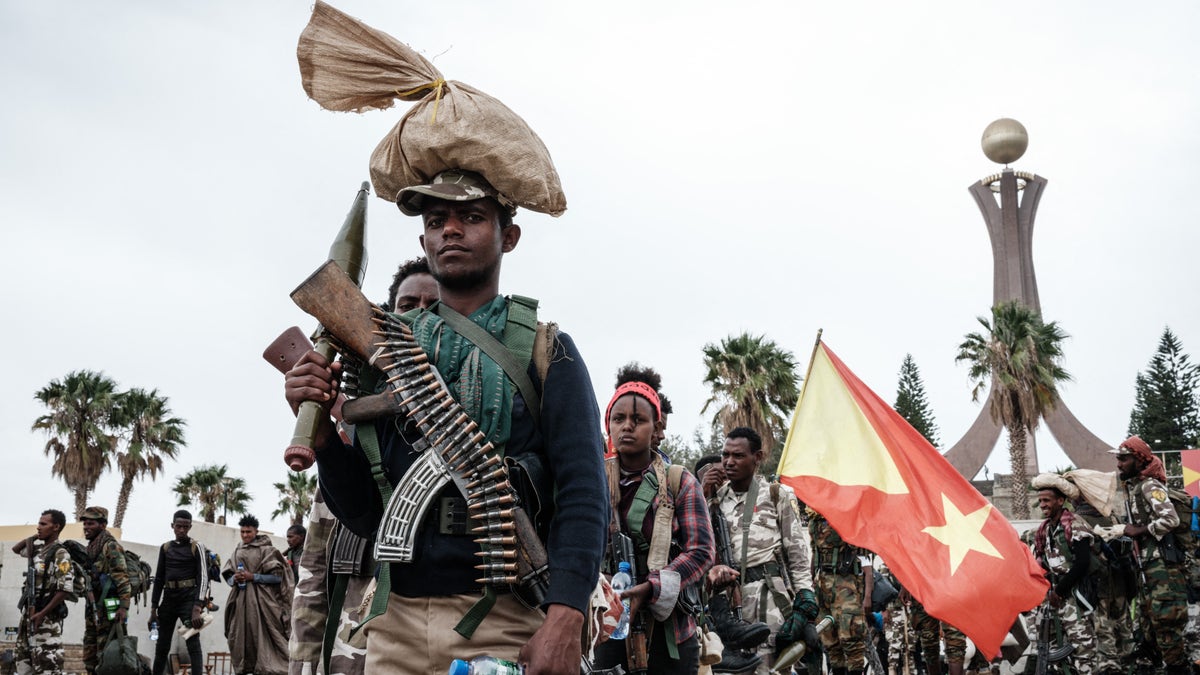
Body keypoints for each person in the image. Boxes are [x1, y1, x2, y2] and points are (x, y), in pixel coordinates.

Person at [284, 169, 608, 674]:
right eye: (437, 221)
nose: (450, 231)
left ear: (510, 236)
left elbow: (584, 493)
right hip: (394, 625)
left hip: (505, 619)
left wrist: (566, 616)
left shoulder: (546, 350)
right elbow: (369, 514)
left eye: (472, 218)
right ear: (424, 239)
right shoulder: (384, 349)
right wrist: (324, 436)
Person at [289, 256, 439, 675]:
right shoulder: (353, 427)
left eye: (434, 304)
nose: (421, 315)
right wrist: (303, 658)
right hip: (350, 633)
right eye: (409, 305)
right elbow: (315, 561)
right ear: (388, 318)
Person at [592, 381, 715, 674]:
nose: (627, 427)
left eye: (639, 420)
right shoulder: (593, 482)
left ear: (656, 428)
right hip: (608, 626)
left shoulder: (679, 482)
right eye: (618, 419)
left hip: (670, 632)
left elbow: (701, 551)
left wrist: (651, 588)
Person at [702, 427, 817, 675]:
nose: (729, 462)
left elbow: (797, 555)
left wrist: (805, 601)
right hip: (729, 605)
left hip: (769, 603)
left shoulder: (776, 495)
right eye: (725, 455)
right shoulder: (714, 499)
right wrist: (702, 495)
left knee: (771, 669)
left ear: (758, 457)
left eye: (738, 456)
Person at [1111, 435, 1189, 675]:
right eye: (1118, 459)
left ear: (1138, 459)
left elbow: (1171, 519)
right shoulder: (1134, 488)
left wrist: (1140, 530)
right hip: (1148, 570)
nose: (1119, 464)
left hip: (1163, 570)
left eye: (1124, 459)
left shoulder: (1149, 486)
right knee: (1148, 628)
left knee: (1166, 625)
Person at [1031, 473, 1097, 675]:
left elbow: (1082, 563)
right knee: (1051, 649)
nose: (1042, 505)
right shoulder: (1046, 529)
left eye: (1047, 500)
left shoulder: (1074, 524)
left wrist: (1059, 591)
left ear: (1061, 501)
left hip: (1074, 597)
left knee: (1084, 650)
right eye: (1040, 500)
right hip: (1053, 598)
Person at [224, 515, 294, 675]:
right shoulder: (237, 550)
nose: (245, 535)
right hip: (240, 602)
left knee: (271, 637)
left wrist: (253, 577)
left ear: (256, 531)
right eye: (242, 532)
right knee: (239, 636)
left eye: (248, 531)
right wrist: (234, 578)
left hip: (265, 603)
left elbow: (278, 577)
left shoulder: (268, 551)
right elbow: (228, 576)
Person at [809, 508, 874, 675]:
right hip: (822, 585)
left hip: (846, 585)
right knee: (830, 641)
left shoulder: (846, 513)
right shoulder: (815, 518)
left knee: (851, 639)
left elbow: (867, 565)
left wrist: (867, 597)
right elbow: (814, 555)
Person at [149, 510, 212, 675]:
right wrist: (153, 609)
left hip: (189, 600)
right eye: (179, 526)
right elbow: (159, 579)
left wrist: (197, 607)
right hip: (169, 599)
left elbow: (203, 577)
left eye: (185, 526)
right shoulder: (166, 548)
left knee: (193, 643)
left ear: (190, 526)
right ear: (173, 526)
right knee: (162, 645)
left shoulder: (196, 547)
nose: (182, 530)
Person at [14, 509, 74, 675]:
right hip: (28, 617)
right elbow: (15, 549)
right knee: (23, 665)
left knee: (47, 667)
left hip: (46, 619)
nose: (38, 527)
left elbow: (65, 589)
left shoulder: (60, 553)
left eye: (43, 524)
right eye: (38, 523)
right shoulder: (38, 550)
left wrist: (42, 613)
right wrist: (34, 537)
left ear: (56, 527)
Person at [81, 505, 131, 675]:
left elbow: (121, 576)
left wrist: (124, 607)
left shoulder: (110, 546)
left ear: (102, 525)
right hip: (93, 607)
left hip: (110, 608)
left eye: (91, 524)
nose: (86, 528)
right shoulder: (91, 547)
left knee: (107, 653)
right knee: (89, 653)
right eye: (85, 524)